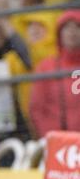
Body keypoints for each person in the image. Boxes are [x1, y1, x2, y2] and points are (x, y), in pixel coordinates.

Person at [30, 10, 80, 138]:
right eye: (67, 28)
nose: (72, 32)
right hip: (57, 141)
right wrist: (51, 137)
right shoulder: (46, 67)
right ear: (59, 34)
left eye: (77, 27)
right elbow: (36, 108)